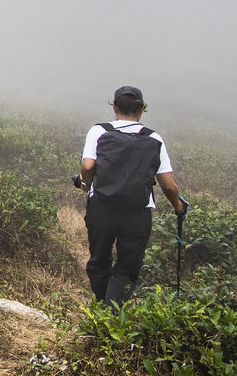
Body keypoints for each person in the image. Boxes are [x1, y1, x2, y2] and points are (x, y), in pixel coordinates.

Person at [77, 85, 187, 307]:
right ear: (142, 109)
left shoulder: (99, 131)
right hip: (137, 213)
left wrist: (85, 183)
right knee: (128, 266)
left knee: (99, 260)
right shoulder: (153, 138)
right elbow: (168, 185)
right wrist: (178, 206)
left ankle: (101, 309)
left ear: (115, 106)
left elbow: (88, 165)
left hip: (102, 207)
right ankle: (113, 311)